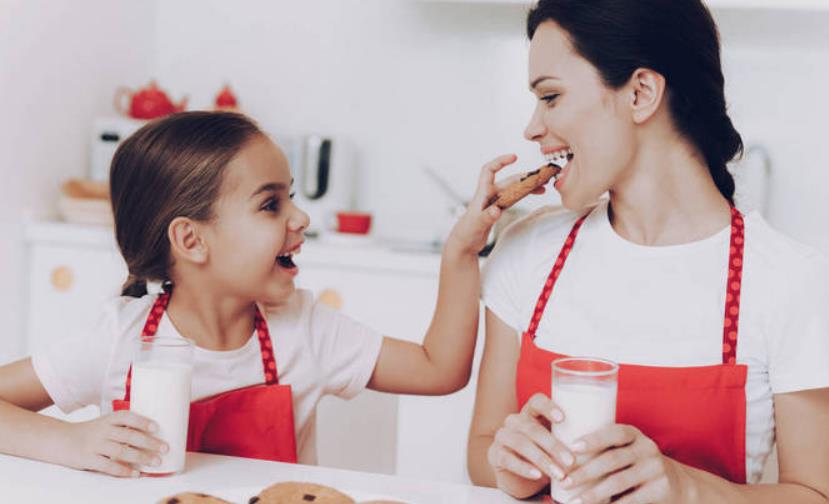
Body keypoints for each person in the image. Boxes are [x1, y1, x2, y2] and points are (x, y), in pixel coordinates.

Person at [0, 111, 510, 477]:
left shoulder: (305, 329)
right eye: (271, 204)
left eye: (291, 196)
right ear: (192, 240)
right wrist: (71, 441)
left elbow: (440, 369)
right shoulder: (119, 341)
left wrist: (461, 253)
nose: (301, 218)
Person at [467, 0, 829, 502]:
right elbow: (482, 449)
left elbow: (814, 493)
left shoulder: (791, 283)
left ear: (640, 93)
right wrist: (512, 467)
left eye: (550, 97)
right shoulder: (527, 251)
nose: (532, 128)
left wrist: (685, 488)